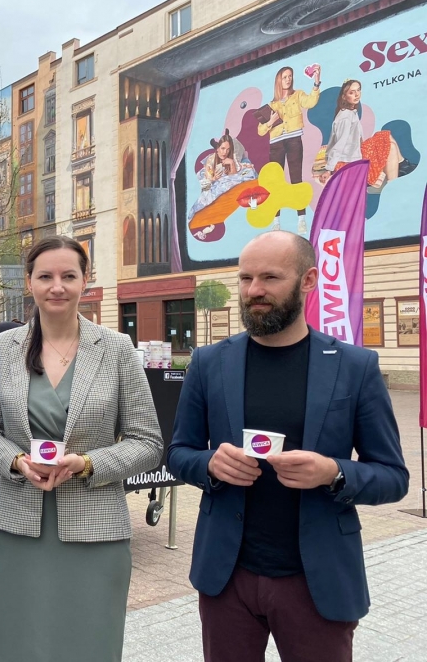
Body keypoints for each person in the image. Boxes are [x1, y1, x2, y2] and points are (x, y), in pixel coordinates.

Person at [167, 230, 408, 662]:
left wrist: (333, 472)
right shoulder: (208, 363)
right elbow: (179, 453)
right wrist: (210, 465)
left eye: (270, 278)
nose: (253, 291)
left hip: (316, 579)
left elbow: (393, 478)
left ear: (308, 280)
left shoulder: (355, 367)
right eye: (245, 278)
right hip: (227, 577)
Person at [0, 236, 164, 662]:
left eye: (68, 276)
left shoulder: (116, 348)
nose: (56, 286)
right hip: (19, 528)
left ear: (85, 280)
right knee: (20, 645)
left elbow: (148, 442)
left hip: (95, 530)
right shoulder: (3, 348)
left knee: (89, 644)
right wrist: (17, 462)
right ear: (29, 282)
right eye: (45, 276)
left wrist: (88, 463)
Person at [258, 65, 321, 234]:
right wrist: (271, 122)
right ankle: (276, 221)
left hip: (294, 140)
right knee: (274, 182)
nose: (288, 79)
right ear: (278, 80)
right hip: (276, 144)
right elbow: (260, 131)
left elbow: (311, 102)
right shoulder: (271, 105)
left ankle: (301, 220)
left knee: (296, 179)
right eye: (284, 77)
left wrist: (316, 83)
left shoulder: (298, 95)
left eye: (290, 76)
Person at [320, 79, 414, 190]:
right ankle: (393, 186)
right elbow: (339, 145)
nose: (356, 94)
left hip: (357, 153)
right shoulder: (345, 118)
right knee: (391, 147)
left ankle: (402, 165)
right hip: (348, 162)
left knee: (384, 135)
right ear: (344, 97)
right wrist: (329, 169)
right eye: (352, 92)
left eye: (358, 90)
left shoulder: (350, 111)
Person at [189, 132, 257, 222]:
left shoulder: (230, 156)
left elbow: (234, 175)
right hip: (212, 179)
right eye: (223, 148)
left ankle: (251, 203)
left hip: (228, 176)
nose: (225, 152)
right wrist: (214, 178)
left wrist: (231, 163)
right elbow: (207, 180)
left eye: (228, 149)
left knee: (249, 173)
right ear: (217, 148)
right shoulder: (211, 160)